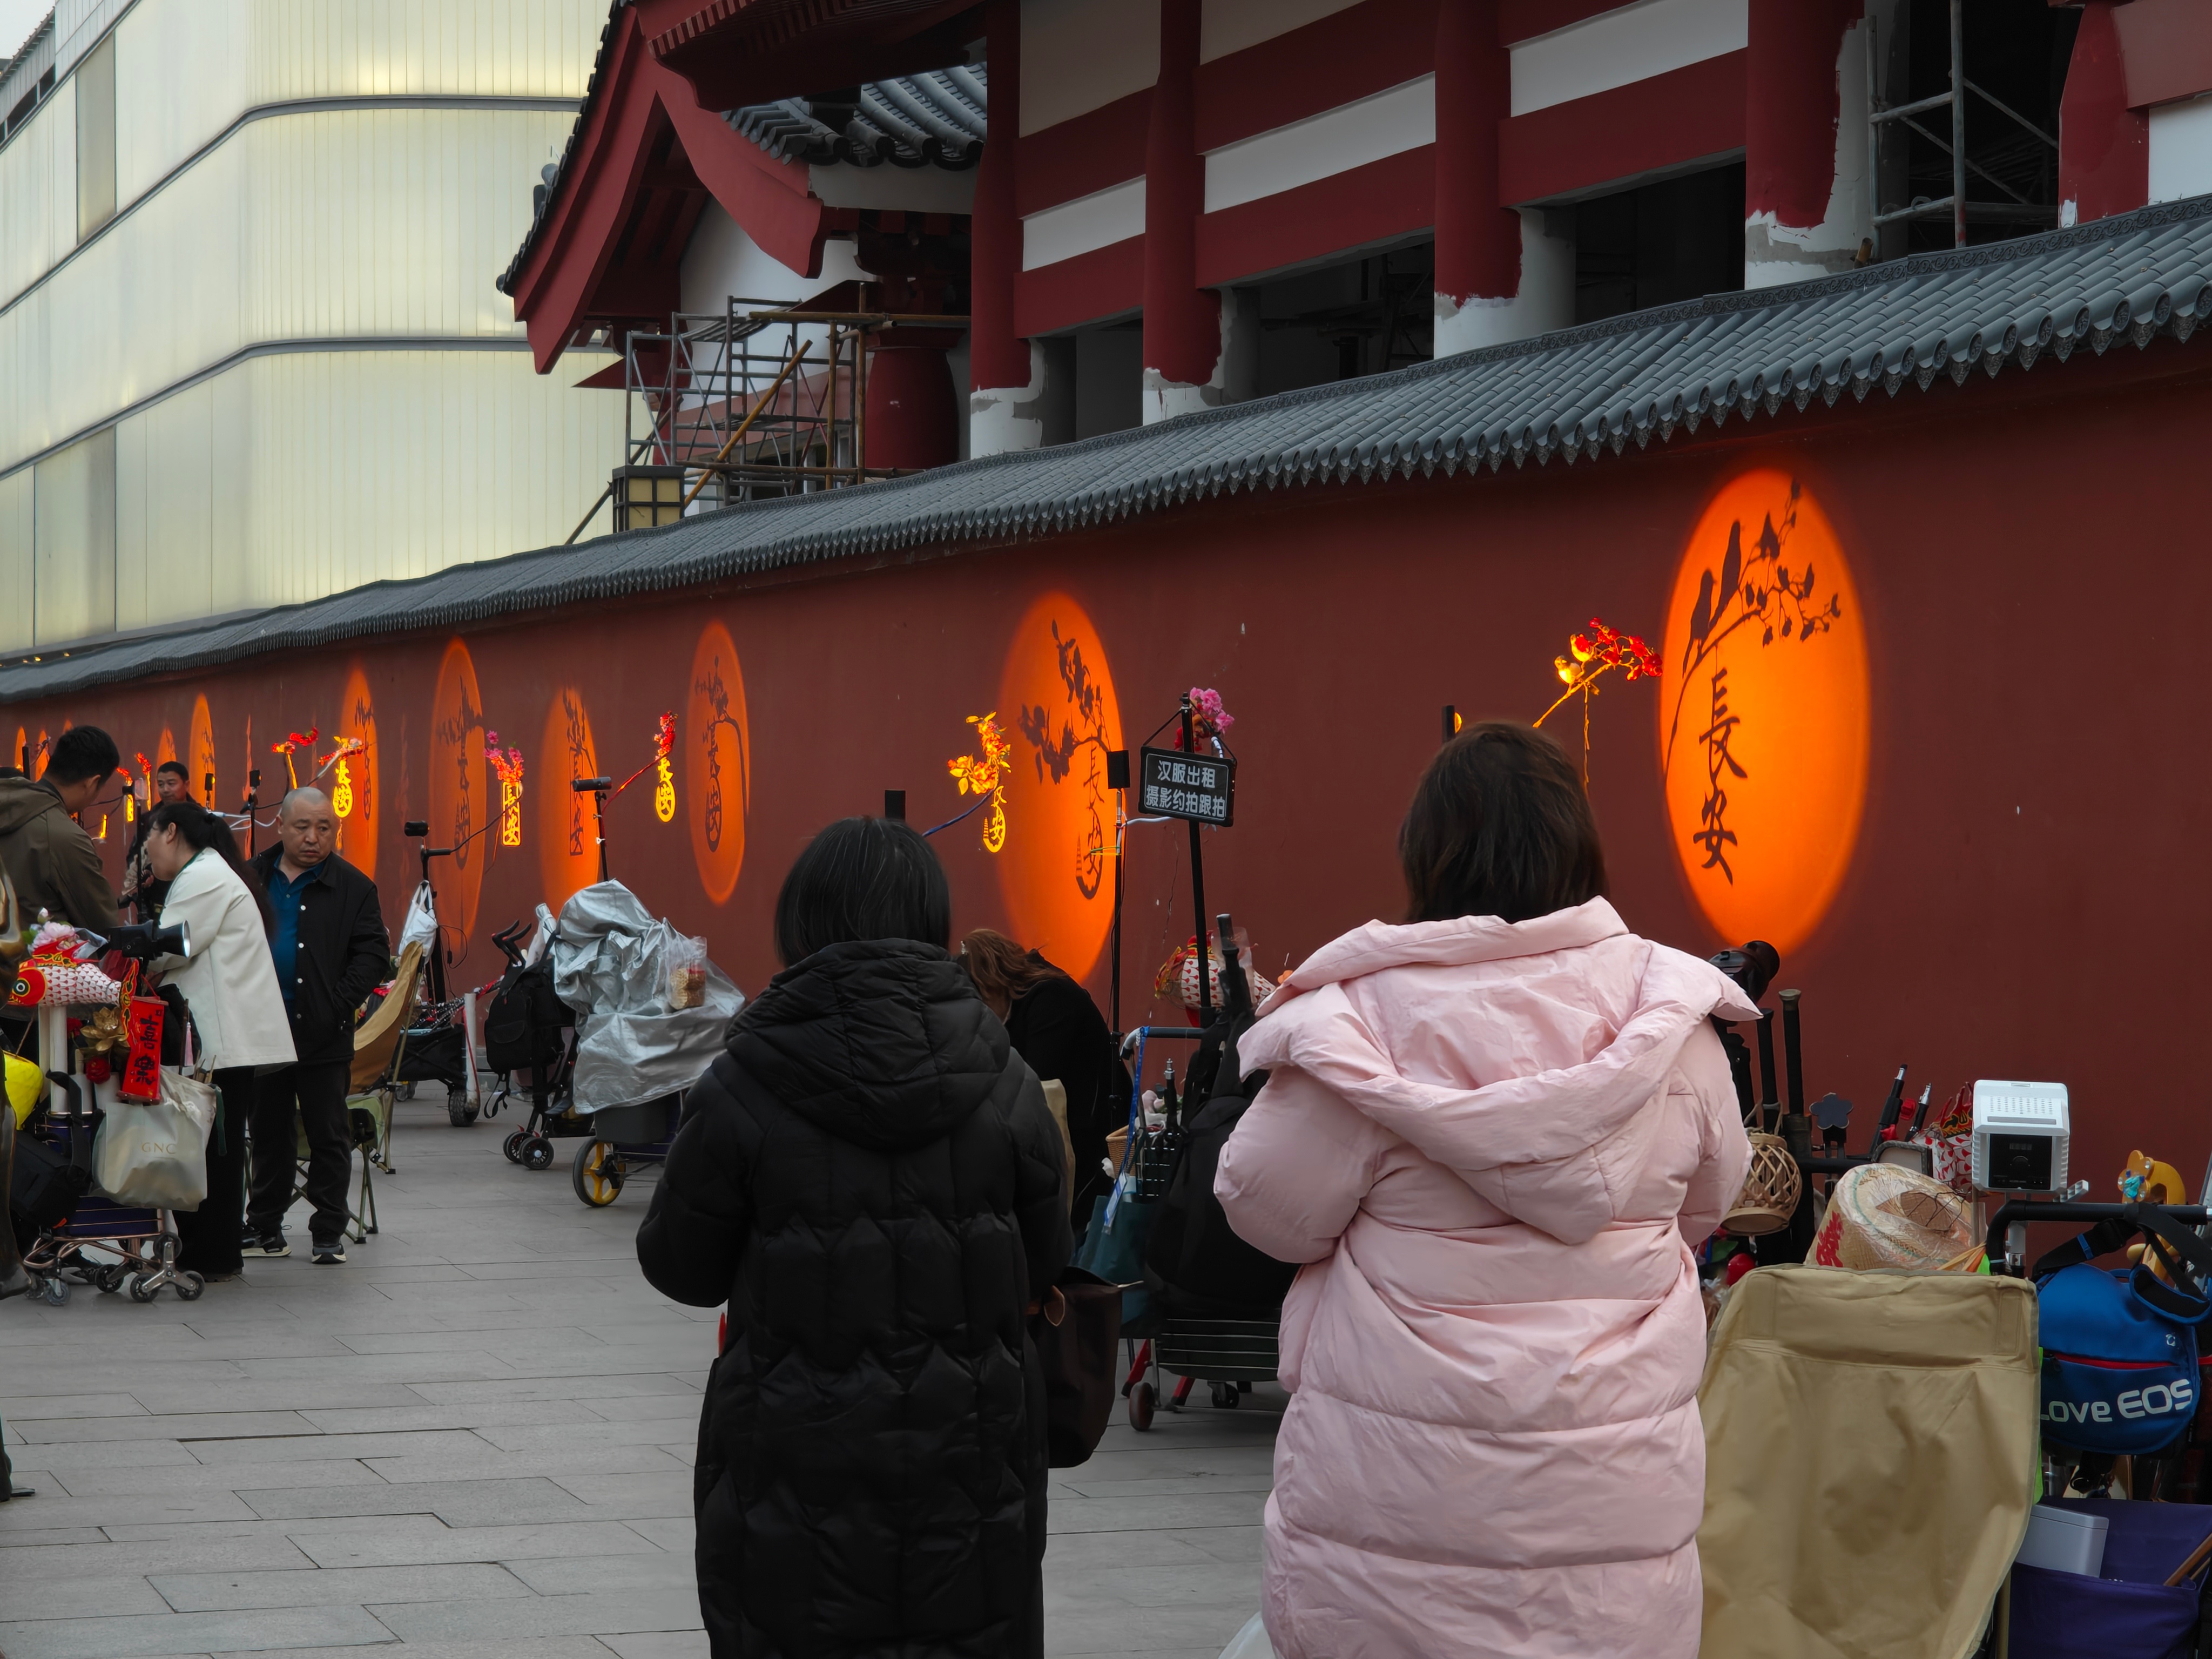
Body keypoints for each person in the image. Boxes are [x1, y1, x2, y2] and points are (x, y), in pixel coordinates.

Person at [1215, 721, 1757, 1659]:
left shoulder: (1361, 1025)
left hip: (1394, 1521)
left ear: (1428, 857)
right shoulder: (1673, 1025)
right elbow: (1712, 1195)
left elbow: (1261, 1206)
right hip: (1610, 1527)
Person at [637, 817, 1071, 1659]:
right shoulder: (1007, 1078)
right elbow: (1046, 1258)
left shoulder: (744, 1080)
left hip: (793, 1472)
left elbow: (681, 1267)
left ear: (802, 923)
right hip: (971, 1465)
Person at [143, 801, 294, 1280]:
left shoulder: (202, 875)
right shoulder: (207, 870)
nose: (146, 849)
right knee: (217, 1151)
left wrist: (125, 949)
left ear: (170, 833)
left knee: (212, 1151)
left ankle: (208, 1256)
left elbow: (172, 945)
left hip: (219, 1041)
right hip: (222, 1039)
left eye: (149, 837)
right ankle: (214, 1254)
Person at [245, 786, 389, 1265]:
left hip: (324, 1033)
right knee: (268, 1131)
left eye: (324, 828)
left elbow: (372, 957)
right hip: (264, 1029)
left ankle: (329, 1229)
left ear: (335, 831)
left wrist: (338, 1004)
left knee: (329, 1133)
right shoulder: (252, 878)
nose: (313, 837)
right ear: (281, 826)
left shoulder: (354, 887)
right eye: (303, 827)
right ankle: (265, 1226)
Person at [960, 927, 1126, 1226]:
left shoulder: (1050, 998)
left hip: (1091, 1134)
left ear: (992, 983)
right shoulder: (1023, 1002)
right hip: (1069, 1130)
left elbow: (1035, 1082)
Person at [0, 725, 120, 933]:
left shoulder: (10, 801)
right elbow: (104, 928)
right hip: (31, 963)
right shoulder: (64, 838)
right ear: (93, 783)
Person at [122, 761, 193, 917]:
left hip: (190, 892)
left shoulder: (200, 818)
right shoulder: (149, 819)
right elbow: (135, 855)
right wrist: (144, 875)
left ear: (186, 784)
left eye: (171, 784)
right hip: (155, 897)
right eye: (161, 784)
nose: (165, 790)